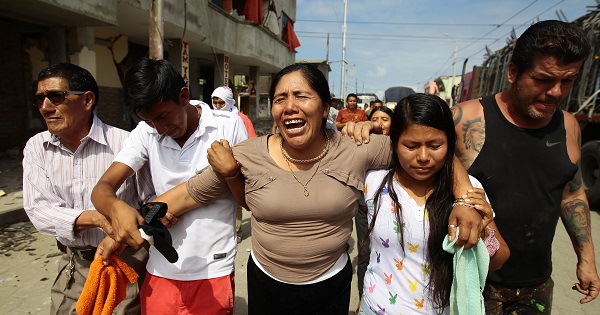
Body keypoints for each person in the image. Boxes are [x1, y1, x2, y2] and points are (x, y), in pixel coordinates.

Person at [95, 63, 485, 314]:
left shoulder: (358, 148)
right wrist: (126, 222)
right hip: (267, 285)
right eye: (281, 98)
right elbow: (181, 196)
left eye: (302, 96)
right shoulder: (246, 155)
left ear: (324, 105)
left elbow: (427, 151)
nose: (290, 106)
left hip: (331, 285)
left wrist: (466, 199)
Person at [451, 20, 600, 313]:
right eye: (543, 79)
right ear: (513, 72)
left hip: (537, 285)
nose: (556, 92)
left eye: (567, 80)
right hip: (473, 284)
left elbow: (571, 196)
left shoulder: (569, 126)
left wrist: (586, 259)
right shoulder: (463, 121)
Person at [91, 57, 248, 314]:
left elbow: (245, 196)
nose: (161, 128)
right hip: (161, 269)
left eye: (163, 116)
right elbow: (103, 187)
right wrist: (115, 207)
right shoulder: (146, 132)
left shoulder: (227, 126)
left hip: (212, 268)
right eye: (151, 121)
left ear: (183, 96)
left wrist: (230, 173)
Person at [359, 93, 509, 315]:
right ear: (394, 143)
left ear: (450, 143)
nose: (423, 157)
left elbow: (499, 261)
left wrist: (485, 234)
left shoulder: (468, 191)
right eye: (410, 145)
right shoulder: (372, 182)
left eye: (435, 145)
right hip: (375, 308)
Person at [22, 63, 154, 315]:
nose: (46, 107)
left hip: (124, 262)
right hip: (75, 264)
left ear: (87, 100)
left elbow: (152, 200)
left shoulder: (126, 144)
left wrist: (121, 233)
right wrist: (97, 218)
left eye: (56, 97)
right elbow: (38, 209)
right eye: (39, 99)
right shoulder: (37, 148)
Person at [355, 105, 395, 300]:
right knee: (364, 254)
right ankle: (363, 298)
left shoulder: (400, 145)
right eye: (375, 119)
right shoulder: (363, 142)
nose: (379, 123)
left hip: (389, 209)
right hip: (363, 208)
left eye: (385, 119)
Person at [211, 85, 256, 243]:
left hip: (234, 166)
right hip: (212, 166)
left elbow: (249, 142)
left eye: (221, 103)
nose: (217, 106)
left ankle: (236, 231)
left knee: (234, 201)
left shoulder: (240, 119)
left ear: (229, 101)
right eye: (214, 102)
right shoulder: (209, 117)